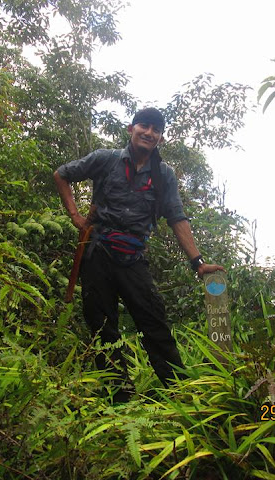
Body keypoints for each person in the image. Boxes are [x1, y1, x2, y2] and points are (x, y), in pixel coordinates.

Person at [53, 107, 224, 400]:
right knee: (102, 328)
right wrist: (75, 216)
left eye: (156, 129)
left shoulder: (163, 175)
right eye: (144, 126)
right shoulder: (106, 160)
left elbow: (176, 217)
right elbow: (62, 174)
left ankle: (180, 393)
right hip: (98, 254)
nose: (149, 132)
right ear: (132, 128)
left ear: (160, 137)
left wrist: (198, 261)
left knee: (154, 323)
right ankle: (119, 399)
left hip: (133, 258)